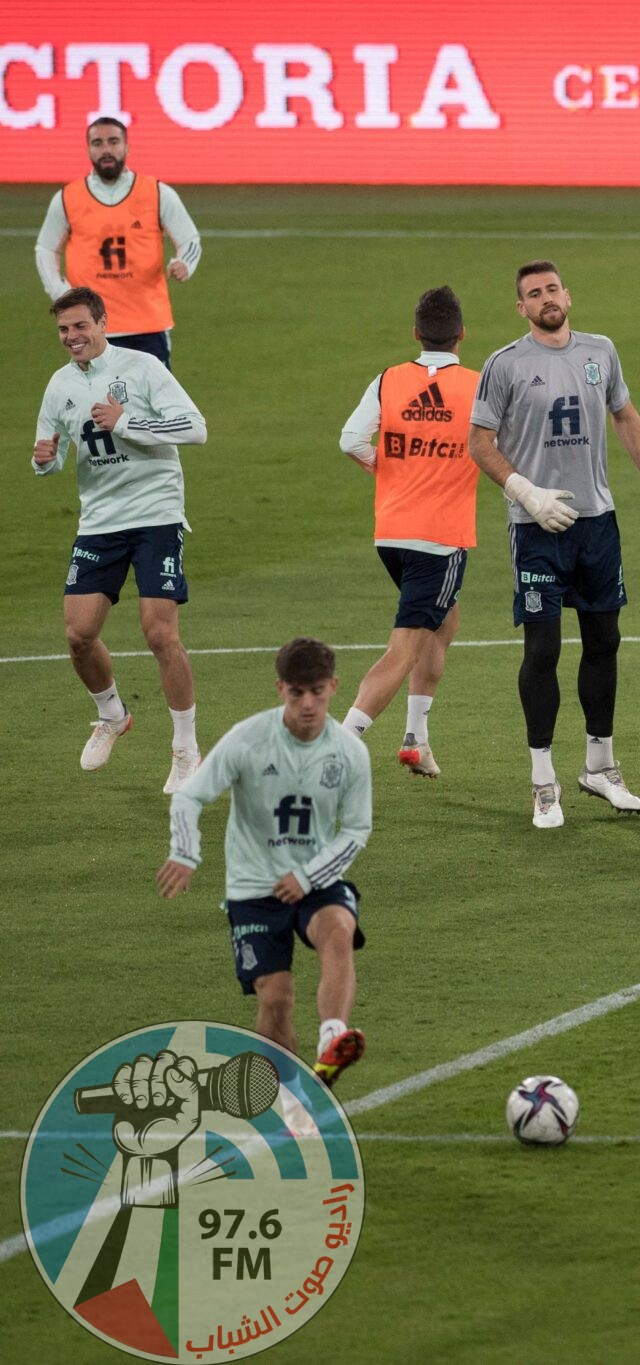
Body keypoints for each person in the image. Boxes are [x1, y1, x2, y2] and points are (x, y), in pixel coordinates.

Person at [467, 260, 640, 828]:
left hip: (596, 522)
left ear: (568, 296)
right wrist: (526, 494)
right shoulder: (504, 365)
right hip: (538, 528)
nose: (546, 298)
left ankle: (600, 769)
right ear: (522, 308)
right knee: (543, 651)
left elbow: (624, 415)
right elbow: (479, 443)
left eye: (552, 289)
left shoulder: (600, 351)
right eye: (534, 294)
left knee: (604, 640)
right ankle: (542, 782)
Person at [157, 637, 372, 1087]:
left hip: (316, 880)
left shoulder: (350, 753)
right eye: (297, 693)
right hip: (254, 888)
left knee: (338, 931)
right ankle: (290, 1095)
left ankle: (332, 1037)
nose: (308, 704)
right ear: (280, 690)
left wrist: (309, 876)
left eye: (317, 691)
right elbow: (190, 795)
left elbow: (356, 831)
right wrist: (185, 852)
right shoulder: (249, 740)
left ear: (333, 686)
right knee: (276, 1000)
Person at [31, 286, 209, 791]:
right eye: (64, 329)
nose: (72, 337)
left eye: (80, 326)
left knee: (159, 633)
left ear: (102, 323)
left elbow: (195, 428)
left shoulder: (143, 368)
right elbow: (54, 451)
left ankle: (185, 750)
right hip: (99, 521)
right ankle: (112, 714)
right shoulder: (59, 386)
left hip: (156, 513)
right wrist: (44, 461)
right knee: (78, 635)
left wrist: (126, 421)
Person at [336, 286, 482, 777]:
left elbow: (350, 440)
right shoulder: (477, 386)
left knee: (445, 623)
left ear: (417, 333)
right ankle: (340, 742)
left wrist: (392, 472)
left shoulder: (389, 380)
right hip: (440, 540)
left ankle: (416, 739)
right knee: (405, 647)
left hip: (391, 534)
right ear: (461, 335)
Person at [33, 117, 202, 369]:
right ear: (89, 149)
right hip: (90, 326)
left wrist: (184, 264)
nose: (106, 150)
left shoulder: (156, 192)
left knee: (153, 407)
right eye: (98, 143)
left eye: (113, 141)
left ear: (127, 147)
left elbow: (189, 240)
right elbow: (45, 248)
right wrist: (60, 292)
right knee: (97, 406)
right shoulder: (68, 198)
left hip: (148, 325)